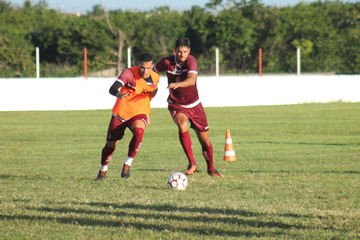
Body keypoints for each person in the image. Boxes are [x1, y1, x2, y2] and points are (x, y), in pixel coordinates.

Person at [154, 37, 223, 177]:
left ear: (189, 51)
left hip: (195, 104)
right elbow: (153, 72)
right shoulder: (166, 62)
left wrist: (178, 84)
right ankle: (192, 163)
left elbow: (191, 80)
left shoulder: (192, 60)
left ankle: (211, 169)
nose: (182, 55)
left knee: (204, 139)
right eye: (179, 52)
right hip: (176, 103)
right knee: (182, 125)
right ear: (175, 51)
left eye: (185, 52)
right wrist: (151, 85)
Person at [96, 53, 159, 180]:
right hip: (121, 113)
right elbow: (112, 89)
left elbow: (153, 91)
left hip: (139, 112)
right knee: (111, 145)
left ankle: (127, 163)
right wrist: (118, 94)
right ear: (138, 64)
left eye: (148, 68)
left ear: (152, 66)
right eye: (142, 67)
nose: (145, 71)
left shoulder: (156, 77)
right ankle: (103, 169)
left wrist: (147, 109)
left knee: (139, 131)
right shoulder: (129, 73)